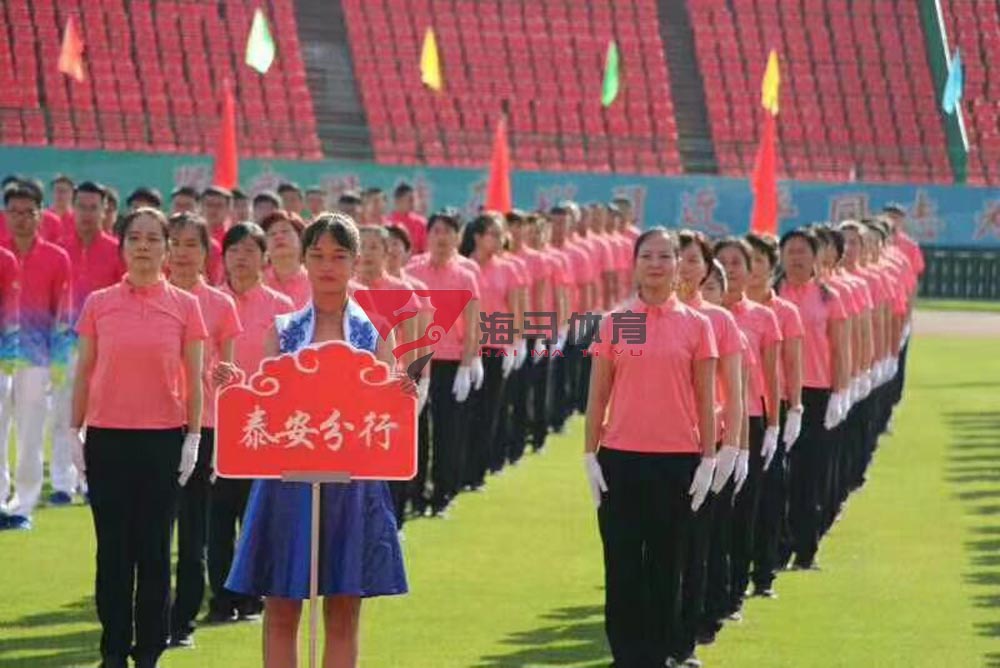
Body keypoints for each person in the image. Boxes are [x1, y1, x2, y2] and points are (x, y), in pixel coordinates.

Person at [225, 213, 411, 668]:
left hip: (353, 484)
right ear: (304, 260)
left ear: (355, 262)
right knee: (281, 606)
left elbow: (388, 410)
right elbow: (267, 405)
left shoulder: (374, 332)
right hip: (287, 482)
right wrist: (235, 389)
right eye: (319, 255)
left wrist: (402, 391)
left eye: (339, 256)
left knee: (344, 609)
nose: (328, 266)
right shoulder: (284, 330)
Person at [70, 206, 206, 668]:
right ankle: (113, 648)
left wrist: (192, 438)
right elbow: (84, 372)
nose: (143, 246)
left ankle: (149, 649)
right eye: (135, 238)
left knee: (153, 551)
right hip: (107, 439)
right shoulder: (99, 303)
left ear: (166, 248)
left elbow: (194, 379)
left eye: (153, 238)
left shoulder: (185, 306)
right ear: (122, 245)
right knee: (112, 552)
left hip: (162, 441)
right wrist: (73, 430)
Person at [584, 227, 717, 668]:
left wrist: (709, 458)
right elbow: (598, 394)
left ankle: (658, 655)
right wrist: (589, 454)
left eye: (665, 256)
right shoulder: (618, 322)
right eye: (647, 256)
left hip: (677, 461)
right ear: (634, 264)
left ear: (678, 265)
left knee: (666, 565)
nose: (656, 264)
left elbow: (705, 398)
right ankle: (626, 656)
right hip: (620, 460)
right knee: (622, 565)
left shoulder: (697, 325)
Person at [209, 222, 295, 623]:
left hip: (263, 423)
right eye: (234, 250)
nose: (241, 258)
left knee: (257, 514)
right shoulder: (209, 302)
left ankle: (253, 593)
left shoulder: (281, 307)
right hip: (215, 421)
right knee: (217, 516)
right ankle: (222, 595)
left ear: (264, 258)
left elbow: (291, 367)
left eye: (249, 250)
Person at [166, 212, 243, 649]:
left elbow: (226, 378)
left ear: (206, 252)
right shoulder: (147, 297)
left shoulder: (220, 305)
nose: (181, 253)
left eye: (191, 244)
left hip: (203, 426)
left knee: (193, 531)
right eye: (175, 243)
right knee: (151, 532)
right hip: (151, 425)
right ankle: (151, 615)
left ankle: (182, 620)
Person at [675, 231, 745, 663]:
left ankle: (687, 635)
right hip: (648, 448)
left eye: (691, 260)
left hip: (703, 447)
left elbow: (735, 392)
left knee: (697, 545)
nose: (682, 267)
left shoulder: (719, 321)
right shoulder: (636, 317)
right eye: (676, 258)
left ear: (705, 269)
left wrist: (732, 447)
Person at [714, 236, 782, 618]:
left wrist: (774, 424)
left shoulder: (763, 317)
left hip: (749, 422)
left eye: (737, 262)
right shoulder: (700, 317)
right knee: (710, 515)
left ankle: (735, 590)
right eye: (722, 262)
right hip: (706, 424)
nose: (730, 269)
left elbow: (771, 377)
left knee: (742, 510)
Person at [0, 181, 72, 531]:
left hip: (37, 360)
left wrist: (58, 364)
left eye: (28, 212)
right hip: (1, 359)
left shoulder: (57, 258)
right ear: (5, 215)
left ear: (40, 214)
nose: (21, 219)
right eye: (14, 212)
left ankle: (23, 506)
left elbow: (63, 314)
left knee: (30, 437)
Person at [776, 228, 848, 570]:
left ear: (816, 257)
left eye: (803, 251)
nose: (796, 257)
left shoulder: (828, 297)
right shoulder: (771, 294)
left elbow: (839, 347)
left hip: (815, 391)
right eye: (790, 250)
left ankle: (805, 548)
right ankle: (775, 549)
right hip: (776, 392)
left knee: (808, 473)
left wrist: (841, 391)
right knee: (778, 476)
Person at [49, 181, 125, 506]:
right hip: (63, 346)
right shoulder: (58, 249)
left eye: (94, 208)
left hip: (105, 346)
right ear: (73, 208)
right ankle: (62, 483)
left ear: (105, 210)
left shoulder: (117, 250)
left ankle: (93, 480)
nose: (87, 214)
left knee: (100, 417)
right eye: (81, 206)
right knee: (64, 414)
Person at [405, 210, 481, 516]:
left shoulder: (465, 275)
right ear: (427, 235)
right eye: (436, 231)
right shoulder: (412, 270)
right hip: (416, 361)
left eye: (448, 231)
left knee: (448, 429)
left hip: (450, 361)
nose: (441, 237)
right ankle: (415, 493)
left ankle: (442, 493)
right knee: (417, 429)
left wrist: (467, 364)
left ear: (458, 238)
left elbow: (473, 325)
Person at [744, 232, 805, 593]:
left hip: (768, 409)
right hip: (729, 412)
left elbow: (792, 365)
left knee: (769, 493)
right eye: (745, 261)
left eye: (758, 262)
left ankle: (764, 571)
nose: (751, 269)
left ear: (771, 268)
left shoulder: (783, 313)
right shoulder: (721, 309)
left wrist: (792, 409)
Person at [459, 213, 522, 487]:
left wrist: (513, 344)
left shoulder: (508, 268)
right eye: (494, 235)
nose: (500, 240)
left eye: (501, 235)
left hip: (495, 345)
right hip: (463, 348)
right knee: (463, 413)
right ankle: (456, 471)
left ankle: (476, 473)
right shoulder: (464, 267)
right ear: (477, 237)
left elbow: (514, 309)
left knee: (488, 411)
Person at [262, 210, 311, 309]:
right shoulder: (257, 283)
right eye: (272, 234)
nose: (278, 237)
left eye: (285, 231)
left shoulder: (316, 282)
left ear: (301, 239)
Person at [201, 186, 233, 286]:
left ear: (228, 209)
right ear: (201, 207)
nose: (213, 210)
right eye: (209, 205)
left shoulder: (233, 239)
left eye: (219, 206)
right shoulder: (193, 237)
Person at [387, 182, 427, 255]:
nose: (414, 203)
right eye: (410, 200)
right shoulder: (387, 223)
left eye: (414, 200)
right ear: (398, 201)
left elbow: (425, 250)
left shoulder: (421, 223)